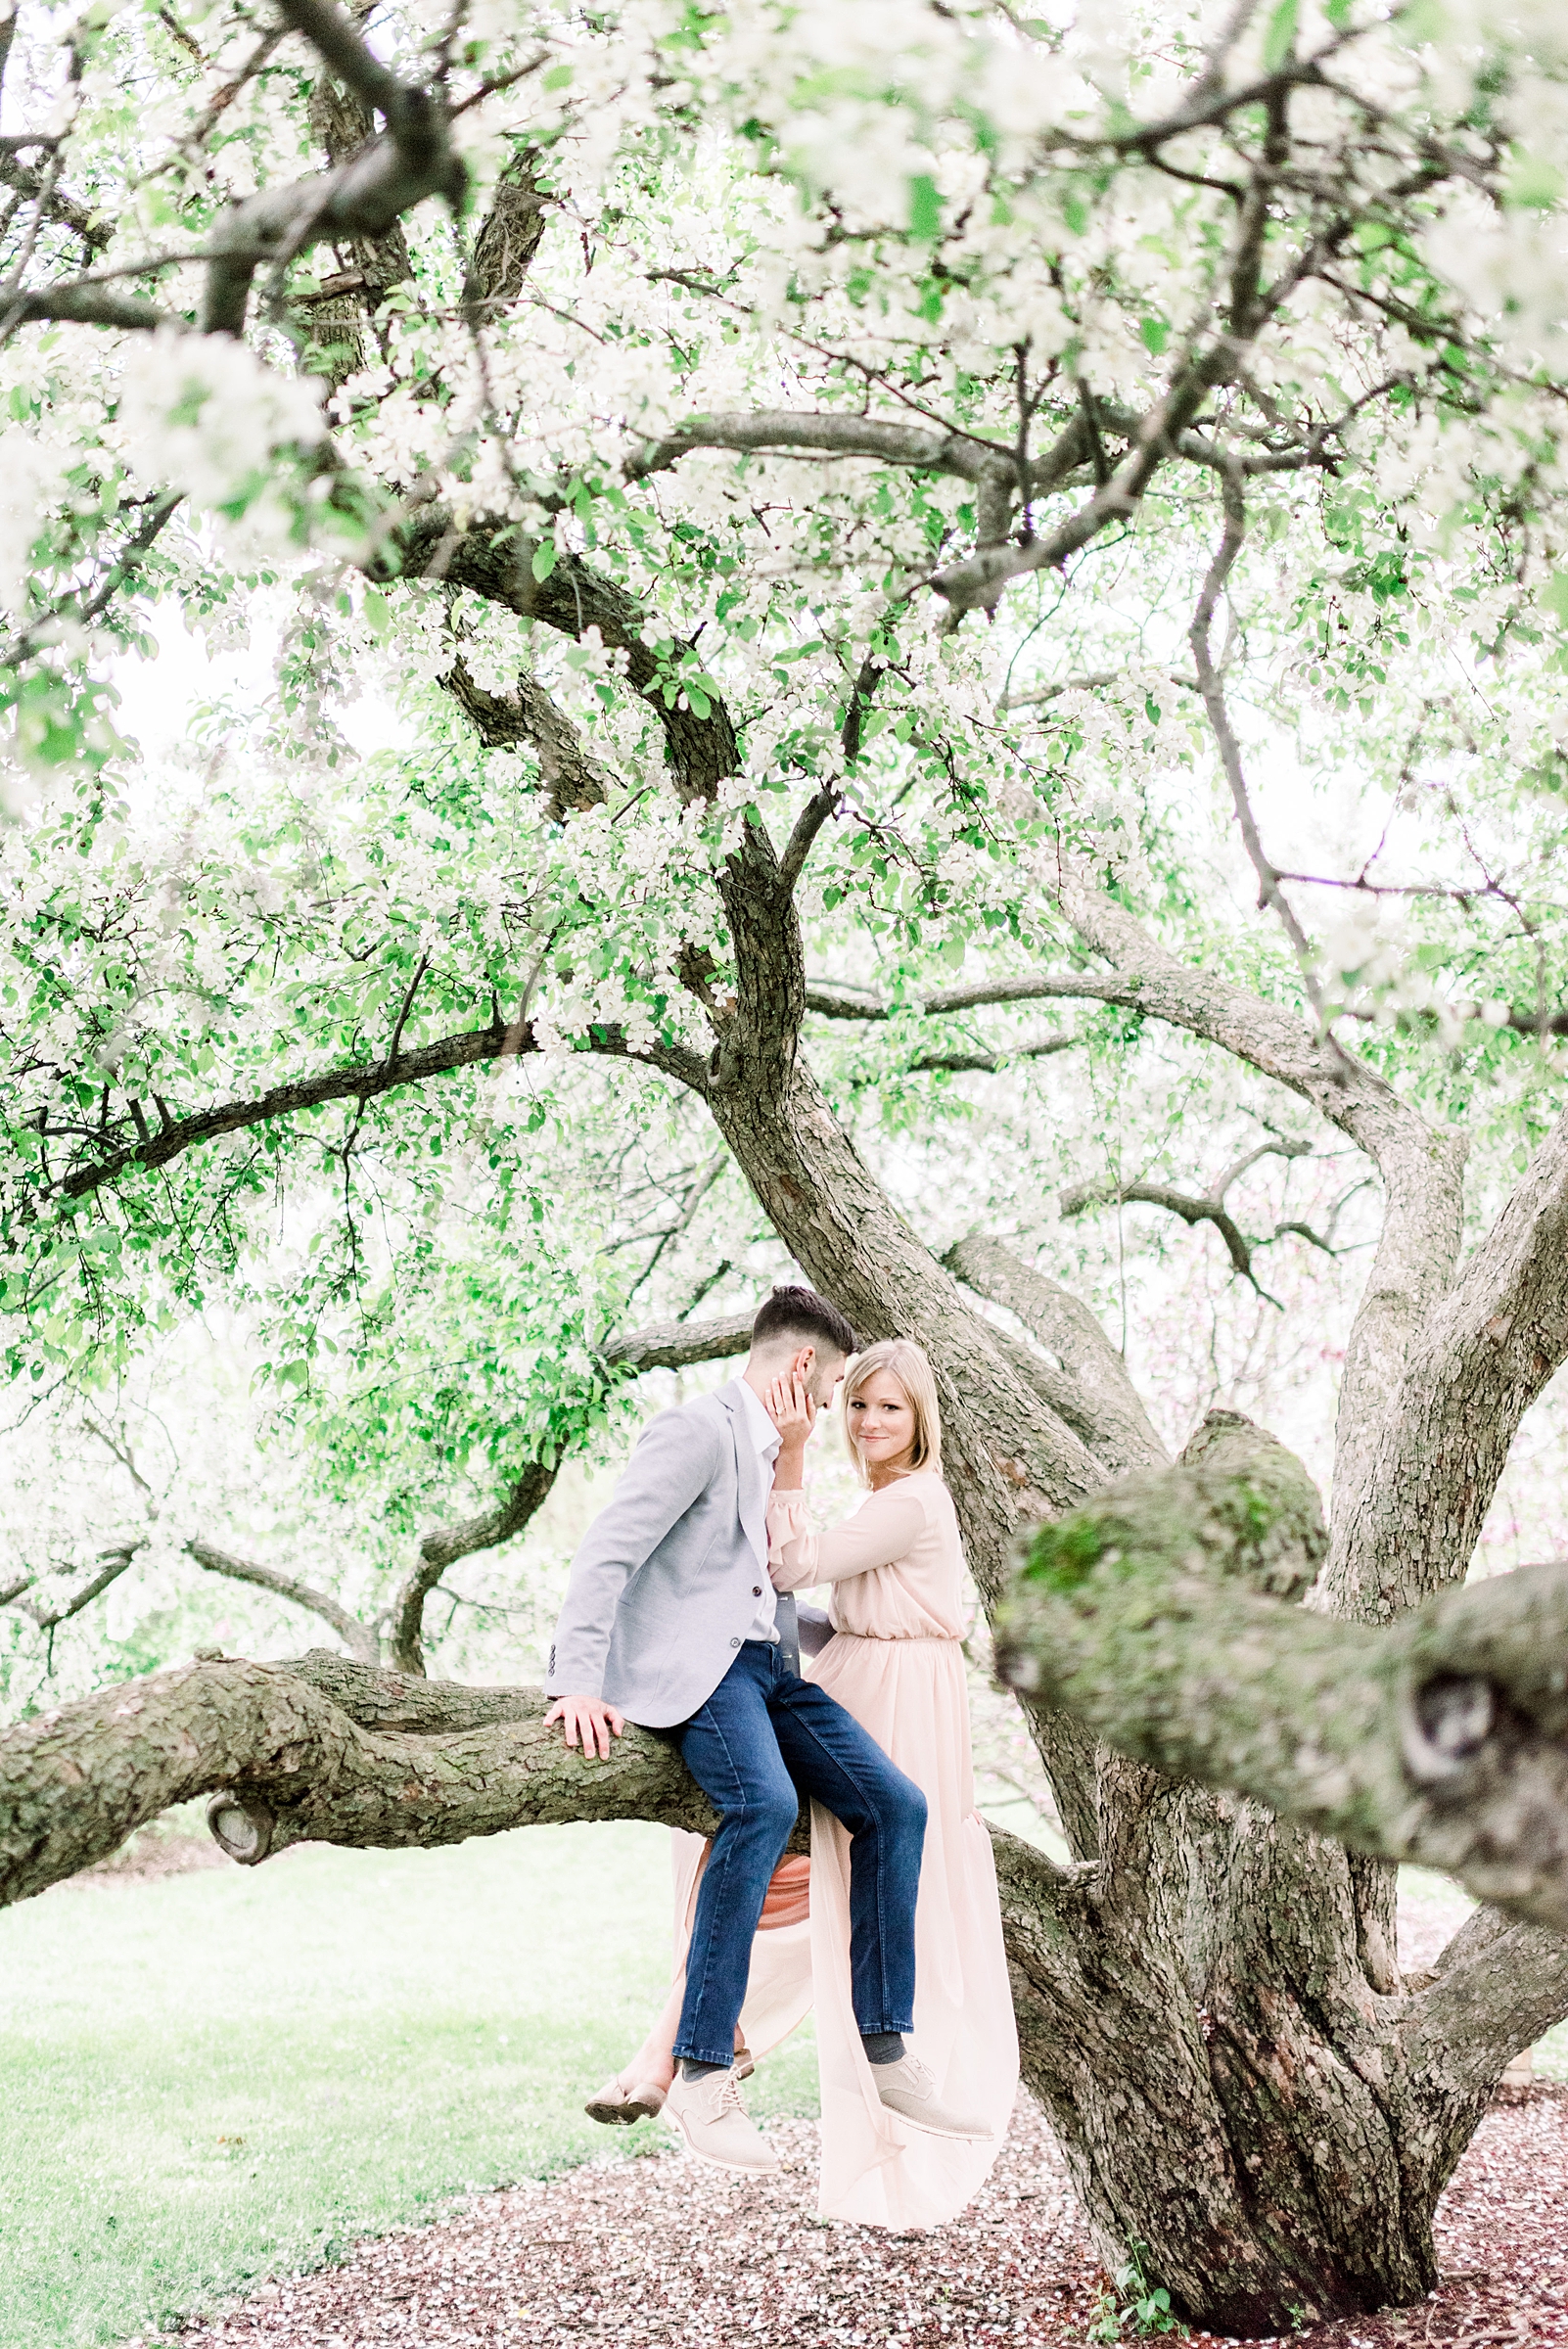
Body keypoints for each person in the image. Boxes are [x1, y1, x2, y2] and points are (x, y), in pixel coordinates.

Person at [543, 1287, 990, 2176]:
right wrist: (577, 1682)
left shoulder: (767, 1448)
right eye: (832, 1397)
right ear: (800, 1371)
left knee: (897, 1807)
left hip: (769, 1670)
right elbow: (609, 1551)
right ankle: (703, 2072)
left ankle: (885, 2043)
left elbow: (769, 1583)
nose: (836, 1415)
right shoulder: (697, 1432)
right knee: (763, 1804)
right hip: (703, 1677)